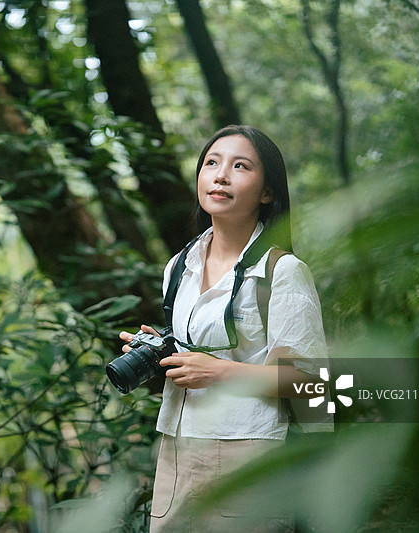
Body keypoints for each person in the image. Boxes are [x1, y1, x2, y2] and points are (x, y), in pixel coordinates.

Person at [118, 125, 330, 532]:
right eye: (211, 163)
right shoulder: (180, 265)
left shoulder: (282, 271)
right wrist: (161, 351)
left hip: (250, 448)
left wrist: (219, 372)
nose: (220, 176)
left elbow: (312, 383)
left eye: (240, 166)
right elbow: (195, 354)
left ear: (267, 192)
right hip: (178, 445)